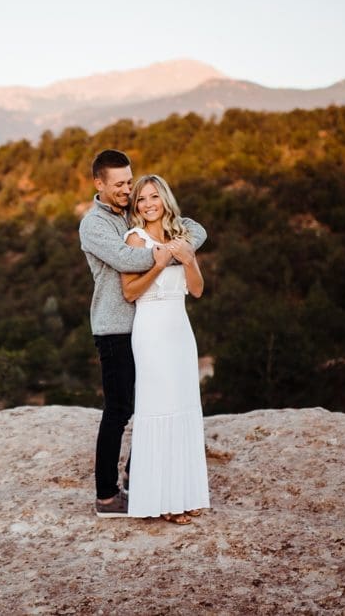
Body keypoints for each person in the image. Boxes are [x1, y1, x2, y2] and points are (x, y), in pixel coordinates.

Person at [78, 149, 206, 518]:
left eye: (128, 182)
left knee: (150, 402)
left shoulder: (131, 211)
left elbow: (195, 228)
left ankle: (141, 478)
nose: (126, 189)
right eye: (118, 184)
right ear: (98, 184)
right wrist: (166, 253)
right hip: (115, 326)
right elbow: (126, 261)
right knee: (119, 409)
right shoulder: (94, 225)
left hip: (150, 327)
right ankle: (106, 497)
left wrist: (181, 245)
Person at [121, 174, 211, 524]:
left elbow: (198, 290)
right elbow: (130, 292)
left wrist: (188, 260)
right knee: (158, 408)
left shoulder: (180, 237)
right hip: (151, 330)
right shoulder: (134, 238)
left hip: (179, 331)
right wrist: (157, 265)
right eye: (141, 199)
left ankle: (185, 495)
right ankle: (163, 501)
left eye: (153, 197)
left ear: (165, 199)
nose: (147, 204)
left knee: (183, 407)